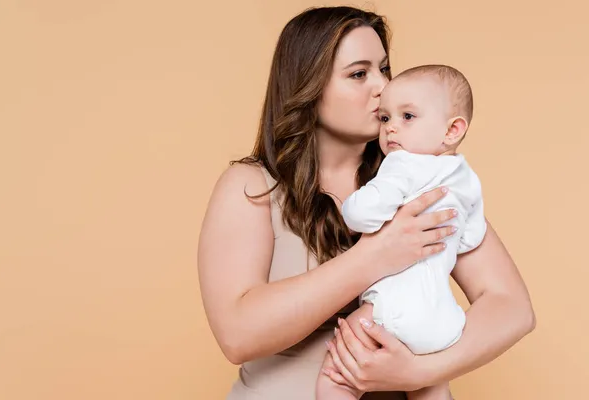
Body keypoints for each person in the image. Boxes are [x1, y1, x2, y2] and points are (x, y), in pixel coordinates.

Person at [197, 6, 535, 400]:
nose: (382, 87)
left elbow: (511, 307)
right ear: (308, 85)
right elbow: (237, 335)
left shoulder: (419, 176)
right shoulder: (253, 186)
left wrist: (418, 372)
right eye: (359, 74)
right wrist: (375, 256)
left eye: (384, 69)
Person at [316, 64, 486, 400]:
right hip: (444, 321)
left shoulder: (401, 165)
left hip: (391, 311)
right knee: (430, 387)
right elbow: (472, 235)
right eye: (385, 119)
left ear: (452, 130)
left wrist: (351, 205)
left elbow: (363, 216)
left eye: (407, 117)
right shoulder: (465, 176)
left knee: (335, 377)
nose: (392, 128)